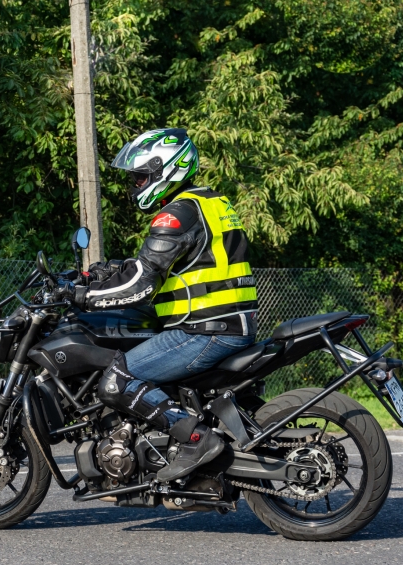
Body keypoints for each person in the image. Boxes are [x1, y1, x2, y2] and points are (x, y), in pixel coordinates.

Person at [61, 129, 258, 482]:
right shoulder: (209, 202)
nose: (136, 185)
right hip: (225, 323)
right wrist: (103, 273)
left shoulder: (176, 214)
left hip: (204, 329)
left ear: (166, 169)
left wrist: (83, 297)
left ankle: (196, 440)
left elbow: (142, 283)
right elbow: (174, 265)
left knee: (117, 380)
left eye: (141, 176)